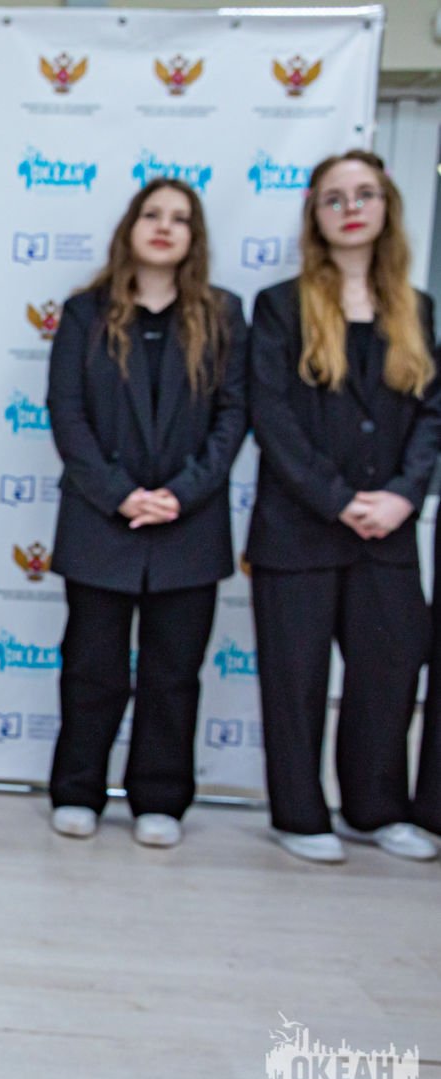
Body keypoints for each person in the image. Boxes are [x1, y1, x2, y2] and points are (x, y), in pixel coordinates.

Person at [248, 150, 441, 865]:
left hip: (387, 534)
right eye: (335, 197)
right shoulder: (280, 305)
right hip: (298, 529)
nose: (351, 208)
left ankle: (375, 809)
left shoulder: (416, 308)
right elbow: (272, 417)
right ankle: (299, 815)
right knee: (295, 681)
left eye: (365, 194)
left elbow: (431, 415)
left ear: (387, 206)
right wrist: (338, 499)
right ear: (316, 215)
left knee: (387, 676)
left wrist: (402, 495)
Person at [44, 179, 248, 848]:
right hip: (101, 522)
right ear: (130, 226)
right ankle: (78, 790)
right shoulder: (85, 313)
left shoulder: (223, 314)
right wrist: (120, 494)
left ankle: (160, 798)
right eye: (152, 214)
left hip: (191, 526)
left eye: (180, 218)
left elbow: (233, 417)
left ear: (194, 236)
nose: (165, 226)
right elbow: (67, 413)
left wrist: (181, 493)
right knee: (92, 669)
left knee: (173, 674)